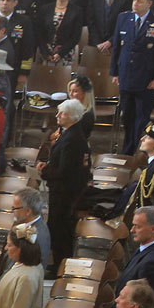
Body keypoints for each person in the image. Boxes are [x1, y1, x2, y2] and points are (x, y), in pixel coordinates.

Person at [111, 0, 154, 155]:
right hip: (126, 75)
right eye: (134, 0)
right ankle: (128, 149)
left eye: (139, 1)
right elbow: (116, 47)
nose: (135, 3)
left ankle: (134, 151)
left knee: (141, 119)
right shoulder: (123, 18)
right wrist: (115, 72)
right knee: (127, 116)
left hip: (147, 79)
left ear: (149, 3)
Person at [36, 98, 89, 271]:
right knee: (56, 226)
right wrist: (49, 165)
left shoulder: (72, 138)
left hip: (65, 192)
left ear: (73, 117)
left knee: (60, 229)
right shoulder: (68, 132)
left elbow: (66, 171)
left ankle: (61, 265)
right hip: (61, 190)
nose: (57, 115)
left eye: (62, 113)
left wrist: (45, 172)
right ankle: (58, 262)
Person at [10, 187, 52, 268]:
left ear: (28, 211)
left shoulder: (37, 237)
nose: (12, 211)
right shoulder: (33, 225)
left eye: (14, 208)